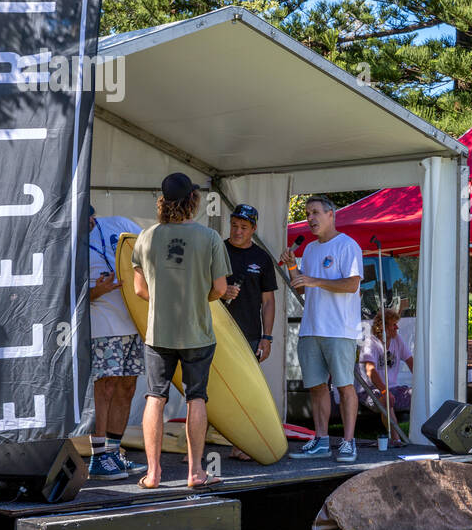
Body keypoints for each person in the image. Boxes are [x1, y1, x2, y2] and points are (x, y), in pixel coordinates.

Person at [130, 173, 230, 489]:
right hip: (197, 332)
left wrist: (163, 296)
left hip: (158, 334)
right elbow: (220, 289)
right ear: (193, 200)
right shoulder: (210, 238)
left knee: (154, 397)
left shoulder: (146, 237)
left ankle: (154, 473)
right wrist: (197, 297)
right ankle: (195, 472)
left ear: (163, 201)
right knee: (196, 398)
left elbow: (139, 290)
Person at [280, 195, 363, 463]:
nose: (310, 218)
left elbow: (351, 285)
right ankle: (322, 440)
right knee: (317, 387)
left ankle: (349, 443)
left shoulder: (348, 246)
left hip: (339, 329)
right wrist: (293, 265)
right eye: (307, 214)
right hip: (311, 328)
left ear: (331, 215)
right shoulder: (311, 250)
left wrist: (316, 280)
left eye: (315, 212)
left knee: (344, 387)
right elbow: (302, 287)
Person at [86, 205, 147, 480]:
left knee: (128, 386)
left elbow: (148, 251)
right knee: (107, 385)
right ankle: (98, 457)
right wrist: (98, 290)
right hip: (103, 324)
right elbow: (63, 296)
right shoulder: (67, 242)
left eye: (89, 217)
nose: (87, 222)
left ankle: (114, 453)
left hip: (134, 321)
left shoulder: (119, 223)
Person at [220, 203, 277, 362]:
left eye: (244, 227)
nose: (238, 231)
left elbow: (268, 302)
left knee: (243, 386)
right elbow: (197, 287)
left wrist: (266, 337)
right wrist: (219, 292)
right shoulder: (217, 249)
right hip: (215, 332)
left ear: (254, 228)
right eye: (234, 225)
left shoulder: (262, 258)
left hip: (249, 335)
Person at [360, 308, 412, 445]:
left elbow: (412, 362)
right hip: (370, 389)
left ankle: (426, 436)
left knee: (418, 394)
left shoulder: (397, 339)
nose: (397, 327)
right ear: (382, 326)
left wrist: (424, 384)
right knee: (386, 400)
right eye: (393, 324)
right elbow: (370, 371)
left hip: (393, 388)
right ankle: (397, 440)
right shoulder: (370, 342)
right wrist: (384, 391)